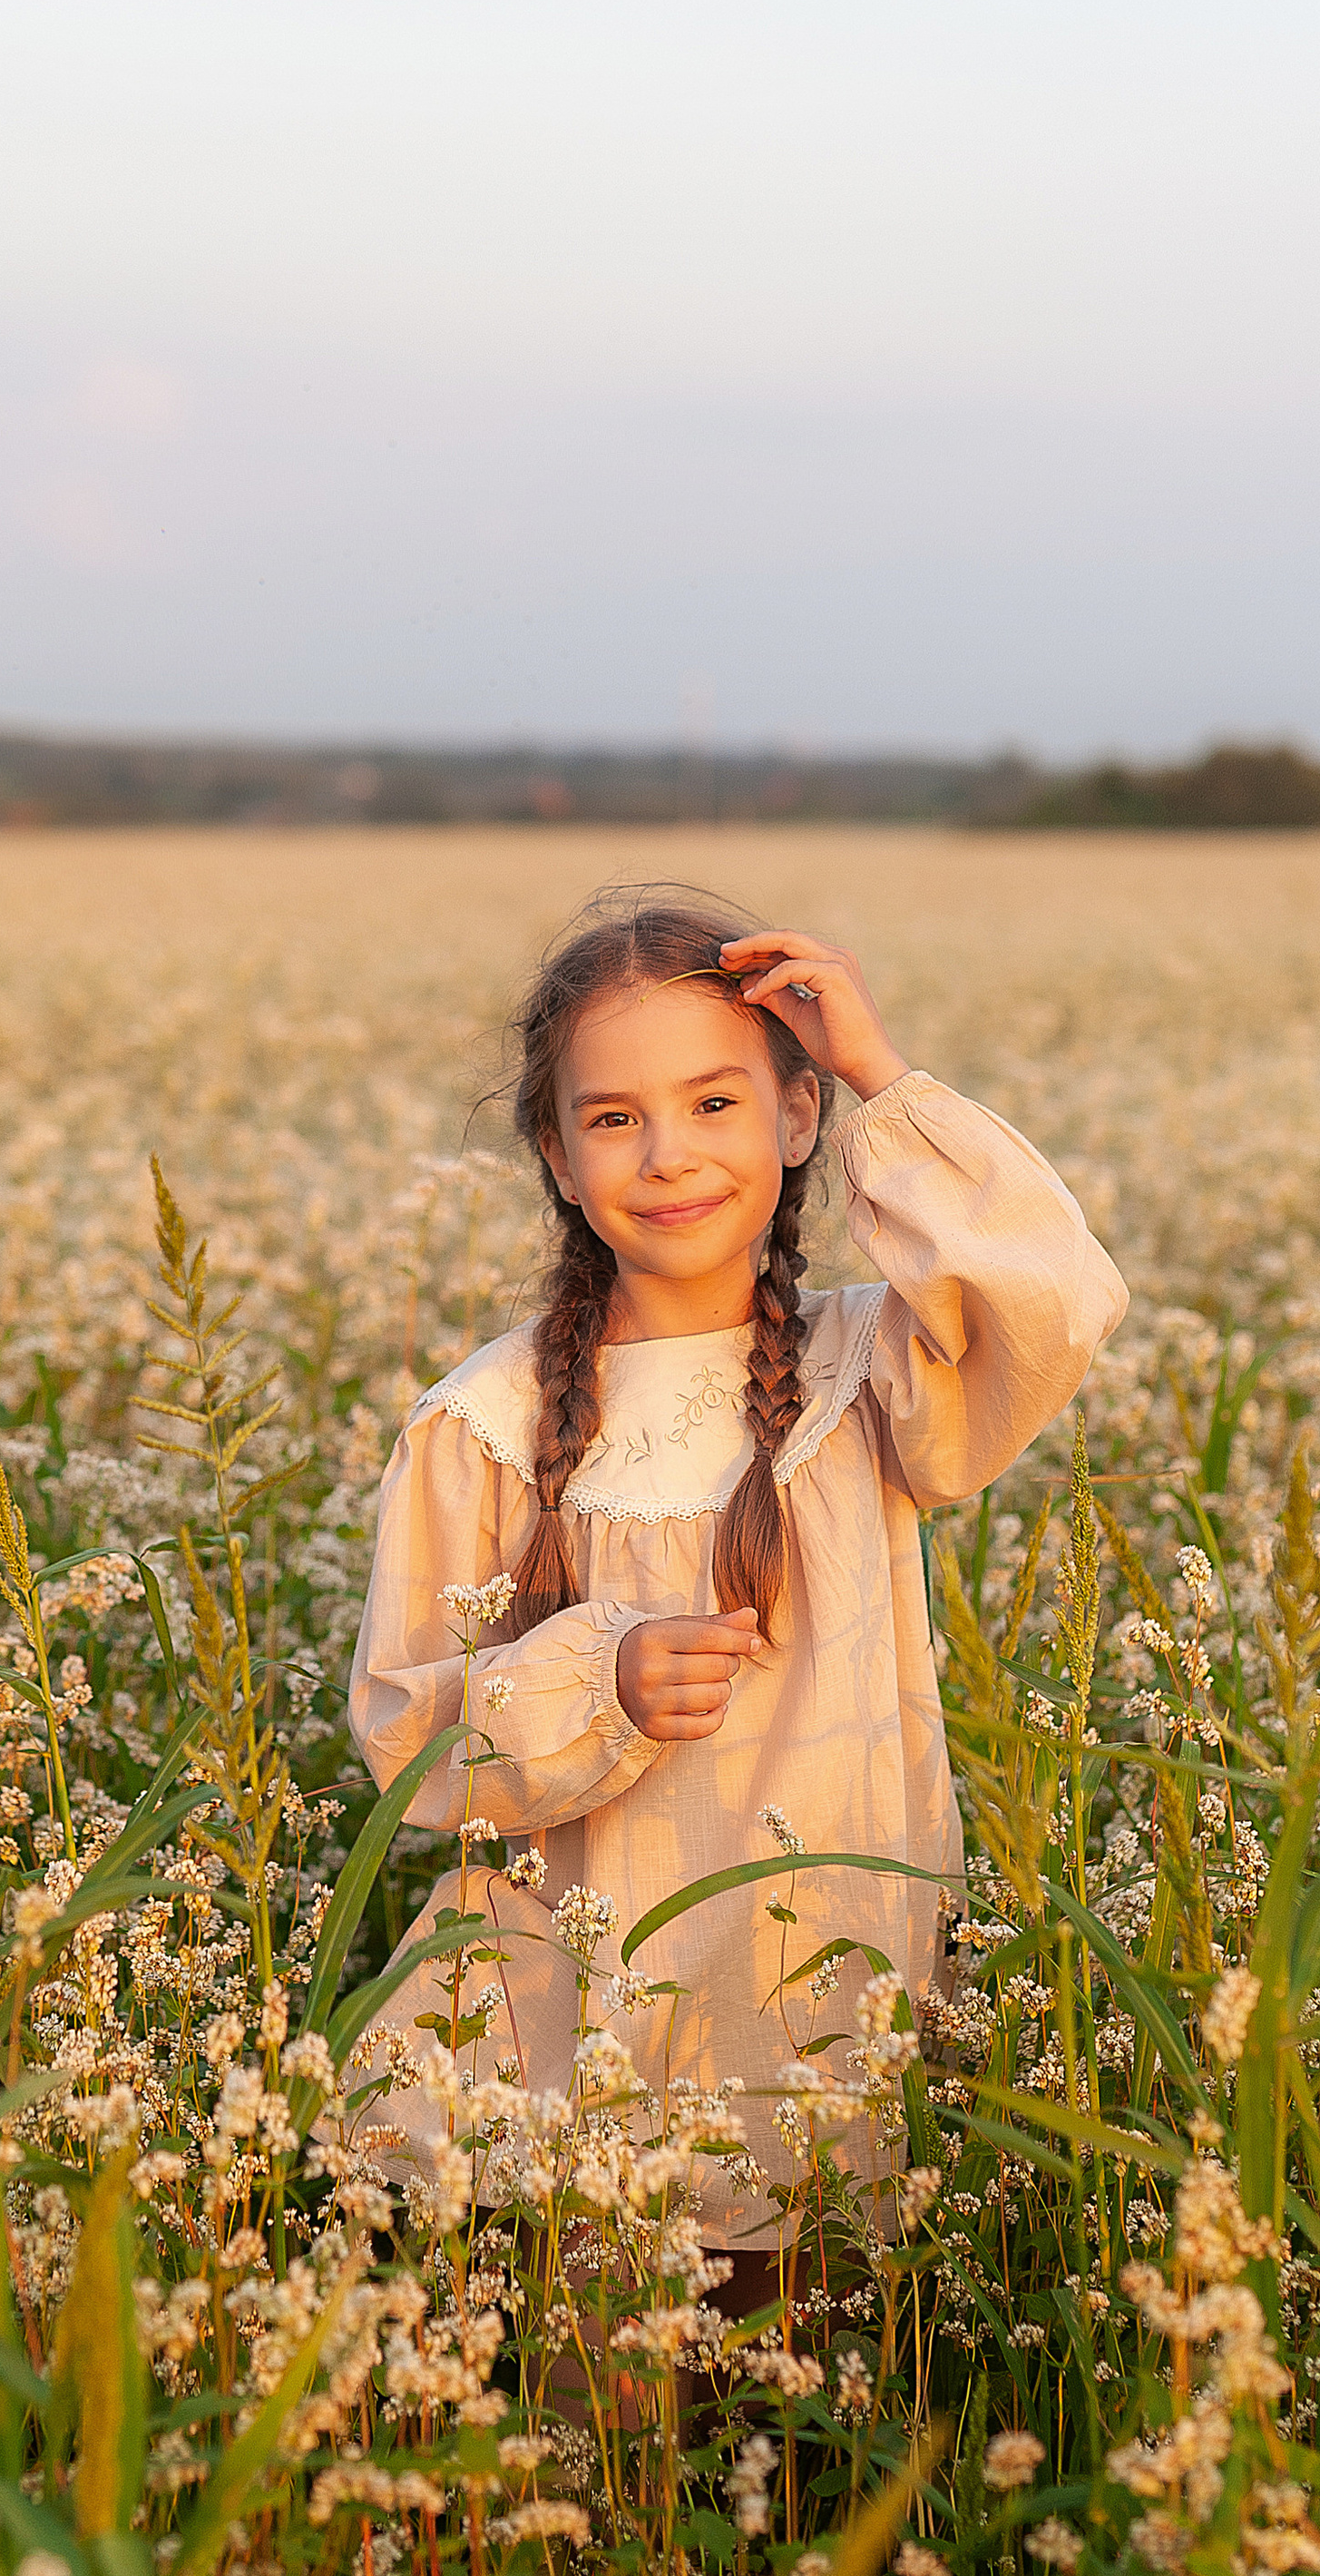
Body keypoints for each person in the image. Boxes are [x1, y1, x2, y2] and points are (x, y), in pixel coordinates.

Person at [347, 887, 1127, 2285]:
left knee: (814, 2400)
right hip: (569, 2027)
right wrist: (603, 1679)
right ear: (557, 1155)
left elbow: (1054, 1299)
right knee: (617, 2413)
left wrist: (885, 1076)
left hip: (817, 2004)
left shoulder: (866, 1374)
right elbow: (412, 1743)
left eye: (716, 1103)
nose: (668, 1156)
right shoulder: (481, 1424)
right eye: (612, 1118)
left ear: (798, 1119)